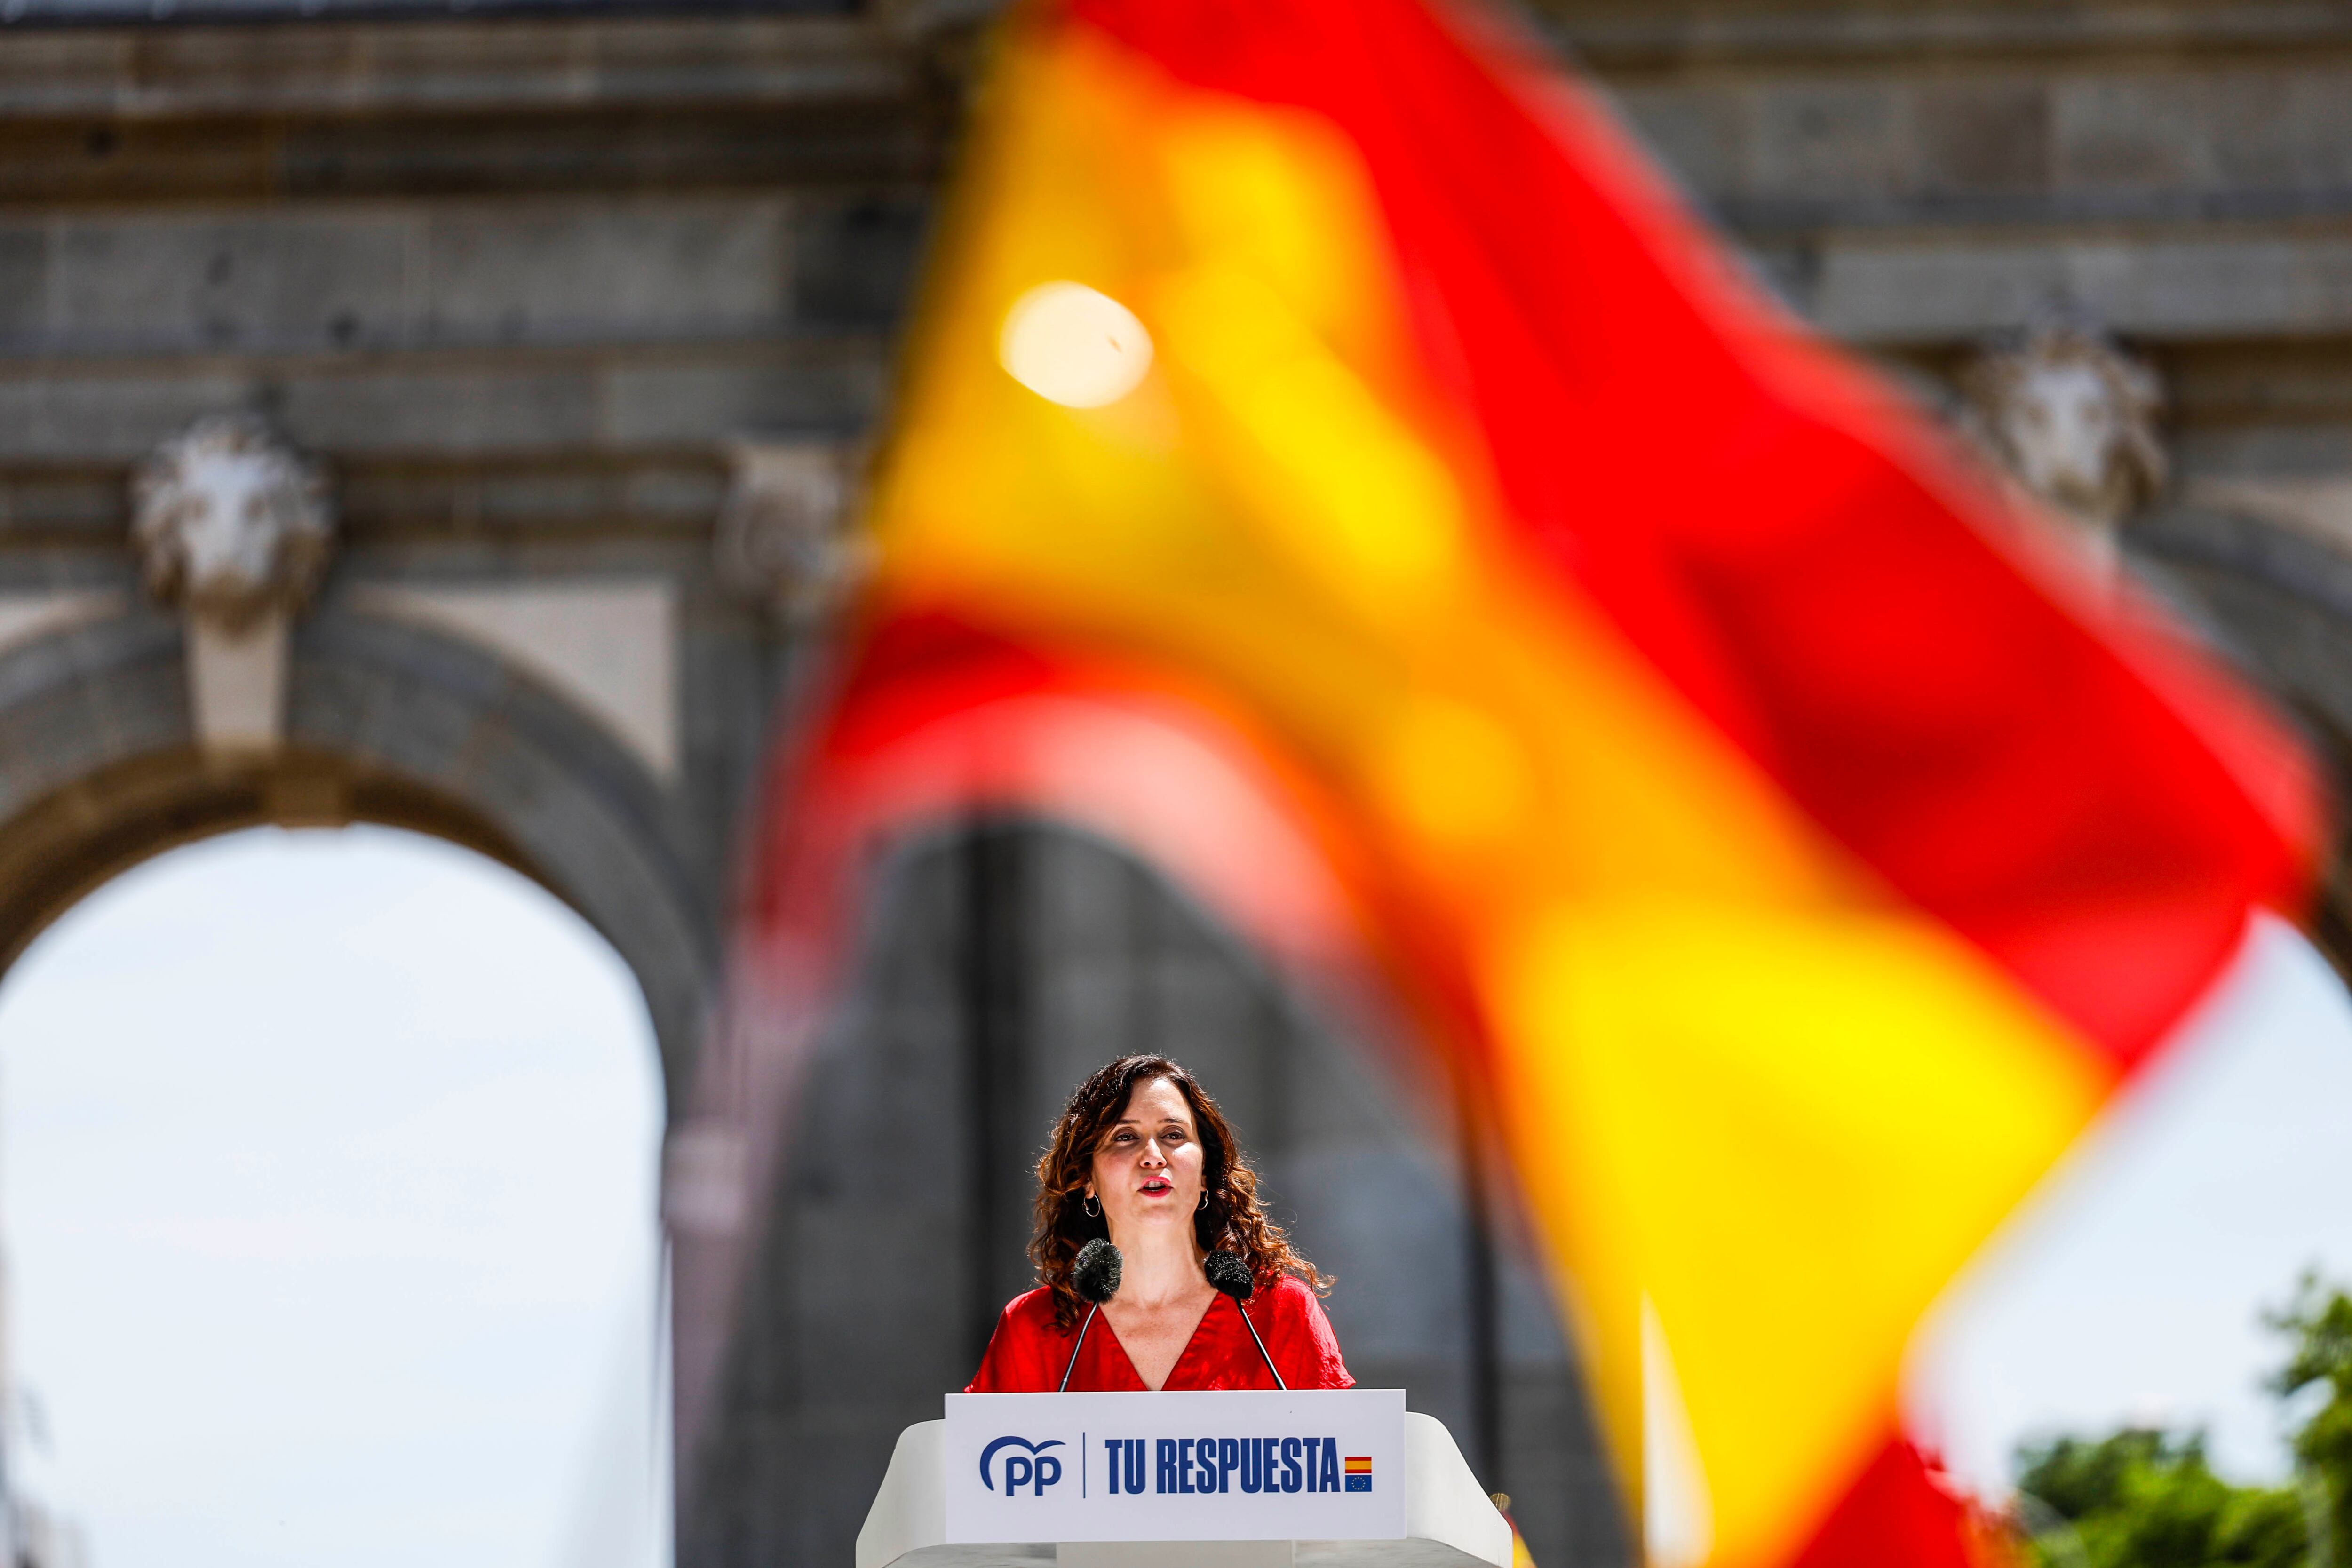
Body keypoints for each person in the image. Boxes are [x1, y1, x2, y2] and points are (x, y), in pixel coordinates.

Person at [966, 1054, 1353, 1392]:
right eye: (1125, 1137)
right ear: (1087, 1179)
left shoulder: (1280, 1311)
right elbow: (975, 1465)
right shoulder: (1033, 1328)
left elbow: (1347, 1459)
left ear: (1205, 1173)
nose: (1153, 1156)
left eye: (1173, 1134)